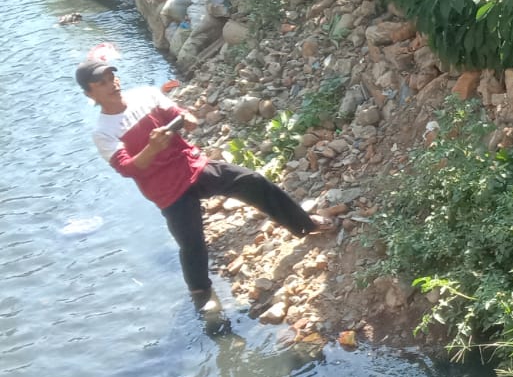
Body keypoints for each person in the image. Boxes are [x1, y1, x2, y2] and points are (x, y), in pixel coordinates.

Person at [79, 50, 331, 316]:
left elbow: (179, 113)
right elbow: (128, 168)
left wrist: (187, 118)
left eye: (111, 77)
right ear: (89, 95)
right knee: (192, 243)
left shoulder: (146, 94)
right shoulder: (103, 132)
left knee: (252, 180)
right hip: (167, 191)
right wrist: (152, 149)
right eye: (102, 83)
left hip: (193, 166)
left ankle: (304, 225)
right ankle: (202, 295)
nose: (112, 84)